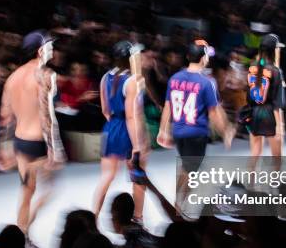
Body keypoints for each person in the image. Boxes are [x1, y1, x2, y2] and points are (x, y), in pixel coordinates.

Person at [0, 30, 66, 248]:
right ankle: (24, 232)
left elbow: (5, 117)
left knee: (27, 190)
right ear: (39, 50)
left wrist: (3, 150)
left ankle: (21, 237)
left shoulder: (12, 77)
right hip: (38, 142)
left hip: (20, 141)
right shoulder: (45, 75)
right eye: (49, 46)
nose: (52, 50)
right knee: (50, 189)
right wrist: (54, 148)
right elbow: (47, 114)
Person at [157, 39, 234, 213]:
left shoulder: (174, 78)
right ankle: (179, 206)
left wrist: (163, 129)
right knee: (190, 170)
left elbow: (168, 106)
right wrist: (225, 132)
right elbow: (214, 112)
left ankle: (179, 204)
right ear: (203, 59)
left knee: (187, 167)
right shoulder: (206, 82)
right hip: (195, 132)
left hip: (178, 131)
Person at [92, 40, 149, 222]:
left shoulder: (105, 77)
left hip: (110, 127)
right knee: (138, 176)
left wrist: (114, 124)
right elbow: (132, 117)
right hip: (127, 128)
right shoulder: (132, 81)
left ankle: (93, 217)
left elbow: (105, 110)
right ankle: (138, 218)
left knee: (106, 176)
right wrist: (137, 146)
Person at [244, 34, 286, 174]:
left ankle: (250, 186)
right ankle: (276, 188)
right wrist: (280, 126)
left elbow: (248, 95)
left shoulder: (252, 67)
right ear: (274, 50)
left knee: (255, 153)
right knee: (277, 157)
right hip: (270, 115)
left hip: (254, 112)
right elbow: (276, 103)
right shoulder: (275, 71)